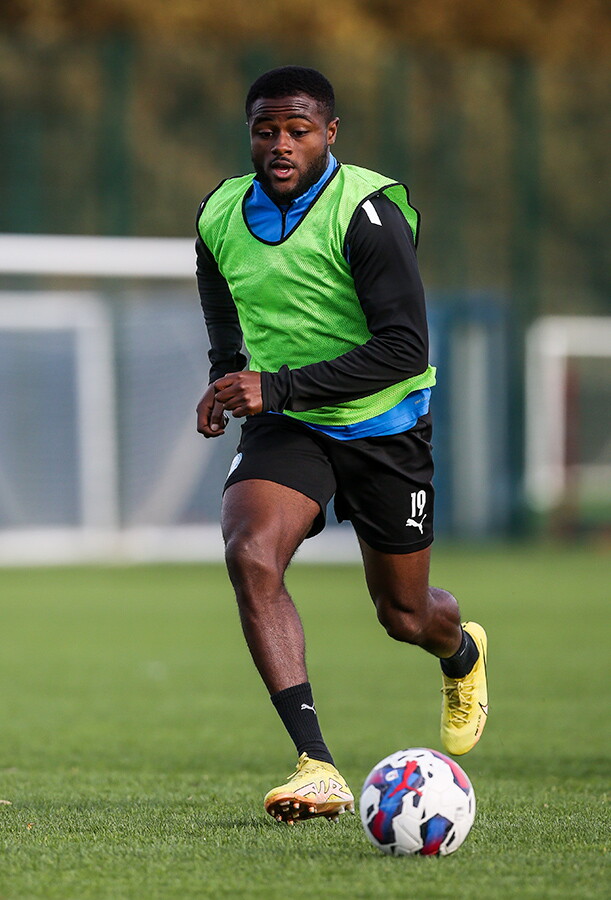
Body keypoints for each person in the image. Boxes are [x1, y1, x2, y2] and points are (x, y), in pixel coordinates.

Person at [195, 66, 488, 825]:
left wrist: (277, 385)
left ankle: (458, 650)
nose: (280, 144)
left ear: (330, 134)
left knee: (403, 616)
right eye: (266, 130)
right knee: (250, 551)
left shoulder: (365, 214)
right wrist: (227, 377)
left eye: (297, 129)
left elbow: (401, 347)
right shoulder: (220, 212)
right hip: (290, 424)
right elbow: (222, 302)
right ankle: (315, 764)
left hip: (384, 425)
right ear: (251, 134)